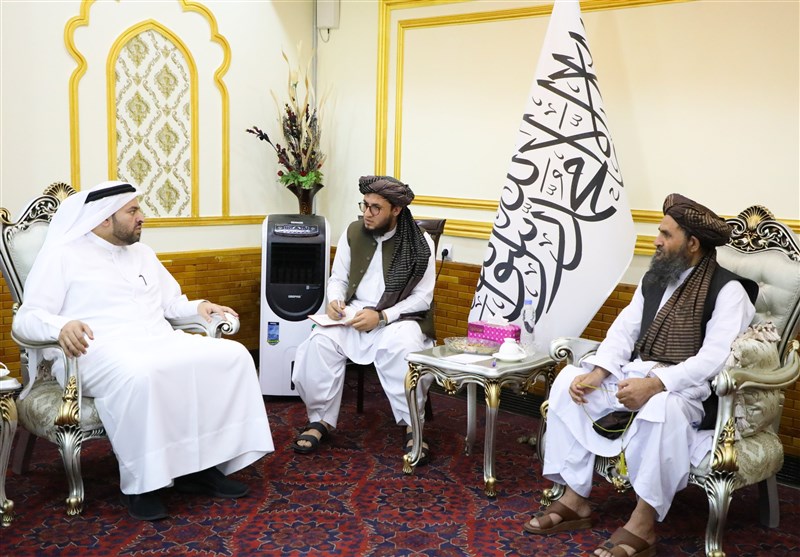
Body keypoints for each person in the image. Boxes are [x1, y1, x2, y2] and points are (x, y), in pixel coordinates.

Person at [13, 181, 274, 521]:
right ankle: (143, 485)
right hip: (94, 352)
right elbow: (27, 319)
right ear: (104, 218)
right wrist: (59, 327)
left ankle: (201, 468)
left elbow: (170, 303)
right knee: (141, 373)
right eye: (133, 210)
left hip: (156, 340)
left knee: (234, 356)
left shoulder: (143, 254)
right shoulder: (63, 255)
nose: (142, 217)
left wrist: (199, 307)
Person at [524, 194, 757, 557]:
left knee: (661, 408)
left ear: (693, 244)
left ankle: (643, 523)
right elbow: (623, 333)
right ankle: (574, 499)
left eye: (666, 234)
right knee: (569, 381)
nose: (657, 240)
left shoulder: (729, 291)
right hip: (637, 375)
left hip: (685, 391)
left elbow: (714, 359)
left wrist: (655, 385)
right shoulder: (655, 279)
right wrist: (598, 372)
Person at [291, 175, 436, 462]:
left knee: (404, 348)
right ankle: (320, 420)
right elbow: (338, 278)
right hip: (354, 314)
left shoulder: (421, 243)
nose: (367, 213)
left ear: (396, 209)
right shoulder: (353, 232)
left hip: (399, 317)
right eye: (364, 205)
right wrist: (335, 301)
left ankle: (412, 425)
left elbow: (423, 298)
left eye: (375, 208)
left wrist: (382, 316)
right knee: (318, 343)